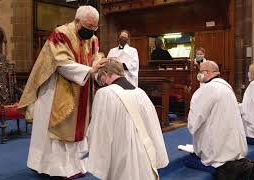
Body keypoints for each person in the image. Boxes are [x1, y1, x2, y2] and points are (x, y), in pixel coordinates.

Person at [18, 6, 107, 179]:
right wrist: (90, 70)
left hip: (82, 86)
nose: (91, 31)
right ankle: (51, 167)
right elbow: (61, 63)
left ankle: (78, 165)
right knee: (56, 128)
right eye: (88, 27)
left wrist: (100, 70)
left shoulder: (93, 39)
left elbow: (96, 58)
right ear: (77, 21)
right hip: (57, 88)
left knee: (80, 128)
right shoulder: (61, 34)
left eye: (95, 27)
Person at [85, 59, 169, 180]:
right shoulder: (140, 93)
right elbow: (153, 127)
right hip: (144, 155)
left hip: (121, 156)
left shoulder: (105, 94)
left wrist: (89, 146)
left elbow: (100, 131)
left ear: (106, 73)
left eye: (100, 77)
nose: (102, 82)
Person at [187, 61, 254, 179]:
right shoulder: (226, 87)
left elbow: (196, 119)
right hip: (232, 142)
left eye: (200, 71)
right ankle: (246, 167)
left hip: (218, 144)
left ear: (207, 73)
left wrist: (192, 126)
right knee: (227, 157)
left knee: (193, 161)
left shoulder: (208, 89)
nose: (199, 74)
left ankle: (246, 169)